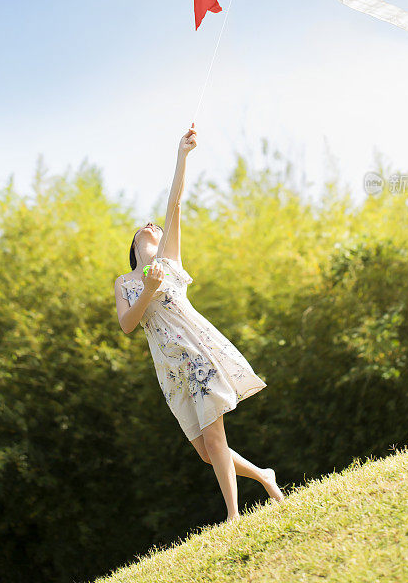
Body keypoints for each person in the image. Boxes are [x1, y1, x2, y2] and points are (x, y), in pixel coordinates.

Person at [114, 124, 284, 523]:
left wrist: (182, 155)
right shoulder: (126, 283)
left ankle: (233, 517)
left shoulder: (169, 261)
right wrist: (150, 291)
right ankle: (264, 475)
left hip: (196, 351)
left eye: (157, 228)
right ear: (135, 245)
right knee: (207, 451)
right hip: (169, 366)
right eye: (146, 228)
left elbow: (174, 202)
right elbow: (127, 325)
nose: (153, 226)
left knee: (214, 434)